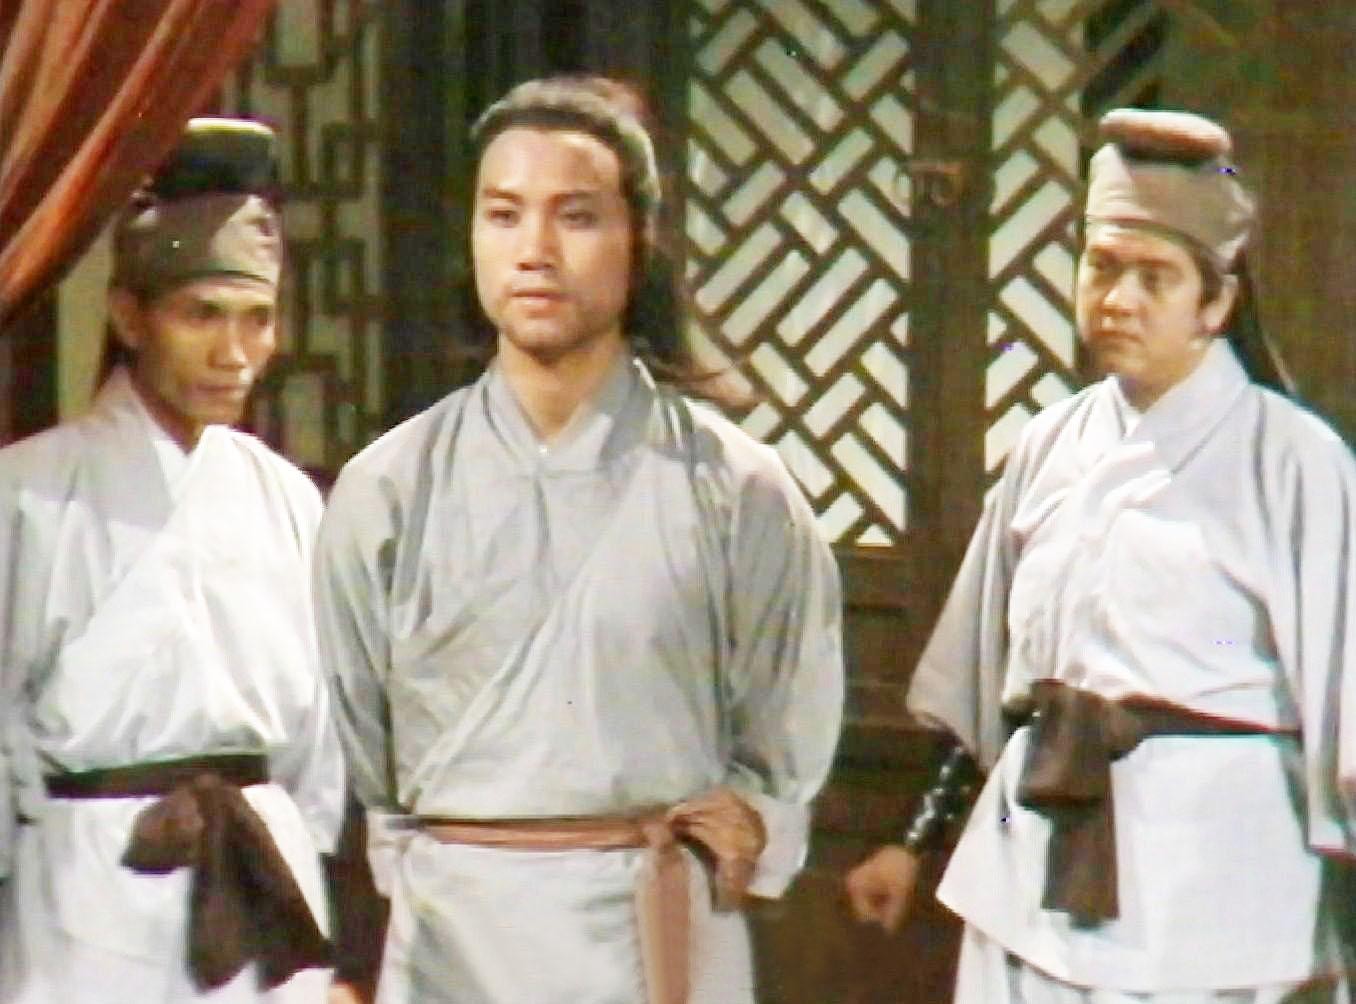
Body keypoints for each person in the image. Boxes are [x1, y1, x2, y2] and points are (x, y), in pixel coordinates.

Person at [314, 75, 845, 1004]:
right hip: (452, 931)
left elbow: (784, 720)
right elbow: (364, 737)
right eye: (503, 214)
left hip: (652, 919)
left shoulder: (736, 487)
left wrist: (754, 820)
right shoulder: (386, 488)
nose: (535, 251)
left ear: (640, 239)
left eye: (577, 216)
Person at [846, 108, 1356, 1001]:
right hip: (1032, 862)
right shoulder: (1049, 443)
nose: (1118, 299)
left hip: (1220, 886)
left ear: (1217, 302)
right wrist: (914, 840)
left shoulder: (1297, 462)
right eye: (1103, 266)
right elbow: (988, 683)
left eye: (1155, 277)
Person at [0, 118, 346, 1002]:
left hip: (257, 875)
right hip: (89, 892)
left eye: (257, 320)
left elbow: (319, 748)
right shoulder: (28, 492)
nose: (234, 355)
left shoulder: (287, 499)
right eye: (201, 316)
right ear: (130, 316)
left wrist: (292, 852)